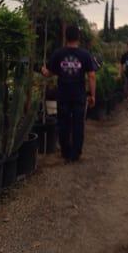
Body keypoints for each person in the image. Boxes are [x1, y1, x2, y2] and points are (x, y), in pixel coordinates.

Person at [41, 25, 96, 163]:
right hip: (79, 95)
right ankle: (76, 154)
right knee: (78, 124)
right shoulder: (85, 54)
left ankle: (65, 152)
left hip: (63, 95)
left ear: (66, 37)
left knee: (63, 123)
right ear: (78, 37)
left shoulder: (58, 54)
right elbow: (91, 76)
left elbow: (50, 73)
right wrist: (92, 95)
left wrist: (43, 71)